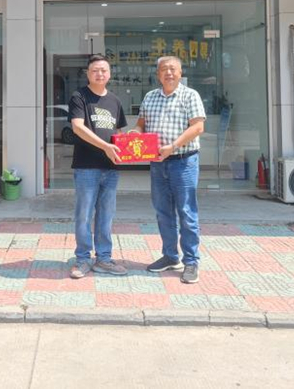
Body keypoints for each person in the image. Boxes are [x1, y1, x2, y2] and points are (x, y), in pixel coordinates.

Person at [134, 55, 206, 284]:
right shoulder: (150, 97)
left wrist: (173, 146)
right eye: (164, 69)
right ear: (158, 74)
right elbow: (141, 124)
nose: (169, 73)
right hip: (157, 163)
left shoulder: (190, 95)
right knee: (163, 211)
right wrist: (135, 134)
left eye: (173, 69)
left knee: (186, 212)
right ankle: (170, 256)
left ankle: (191, 261)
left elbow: (198, 127)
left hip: (183, 162)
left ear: (180, 72)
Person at [67, 54, 128, 279]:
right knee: (83, 214)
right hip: (87, 167)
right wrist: (105, 146)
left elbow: (118, 132)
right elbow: (78, 127)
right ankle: (82, 259)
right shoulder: (79, 96)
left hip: (111, 168)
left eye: (103, 70)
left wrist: (129, 147)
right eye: (95, 70)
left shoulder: (115, 101)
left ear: (109, 74)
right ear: (88, 73)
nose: (99, 74)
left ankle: (103, 259)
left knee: (106, 215)